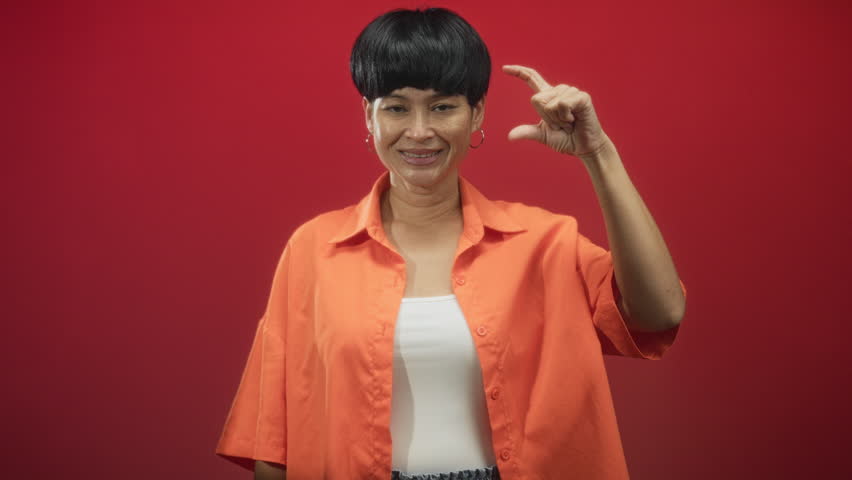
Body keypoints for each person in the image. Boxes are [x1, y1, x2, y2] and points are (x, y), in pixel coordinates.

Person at [215, 7, 687, 480]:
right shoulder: (313, 249)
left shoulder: (544, 243)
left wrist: (597, 152)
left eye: (443, 106)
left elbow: (659, 311)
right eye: (396, 107)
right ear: (369, 114)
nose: (419, 131)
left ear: (476, 111)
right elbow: (272, 437)